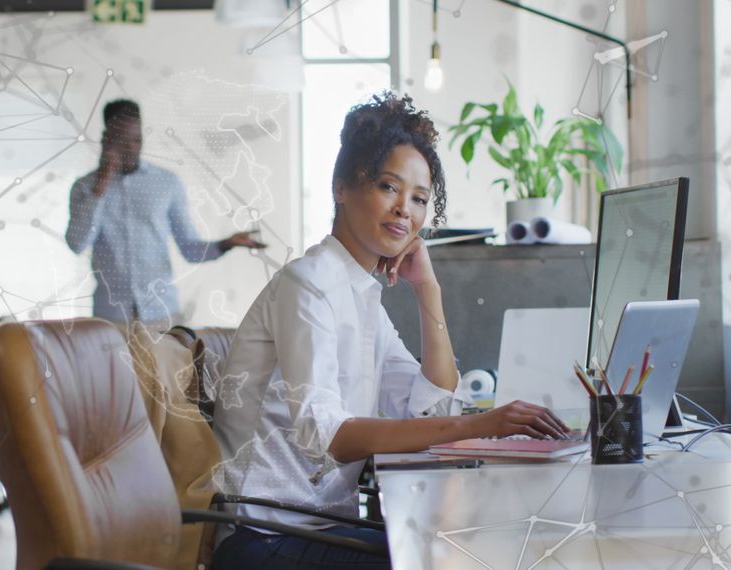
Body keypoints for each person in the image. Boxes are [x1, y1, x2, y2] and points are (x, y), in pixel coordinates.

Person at [211, 92, 569, 570]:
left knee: (475, 544)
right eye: (388, 187)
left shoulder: (361, 294)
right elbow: (327, 434)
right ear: (341, 187)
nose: (405, 209)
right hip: (265, 537)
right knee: (461, 557)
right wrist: (480, 424)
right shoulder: (308, 284)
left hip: (322, 527)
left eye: (420, 199)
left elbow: (433, 404)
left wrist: (428, 291)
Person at [65, 99, 266, 327]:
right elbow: (77, 243)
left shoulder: (167, 183)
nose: (131, 147)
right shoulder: (84, 188)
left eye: (137, 139)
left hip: (161, 314)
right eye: (123, 140)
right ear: (106, 139)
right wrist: (101, 186)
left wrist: (226, 244)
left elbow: (190, 248)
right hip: (110, 318)